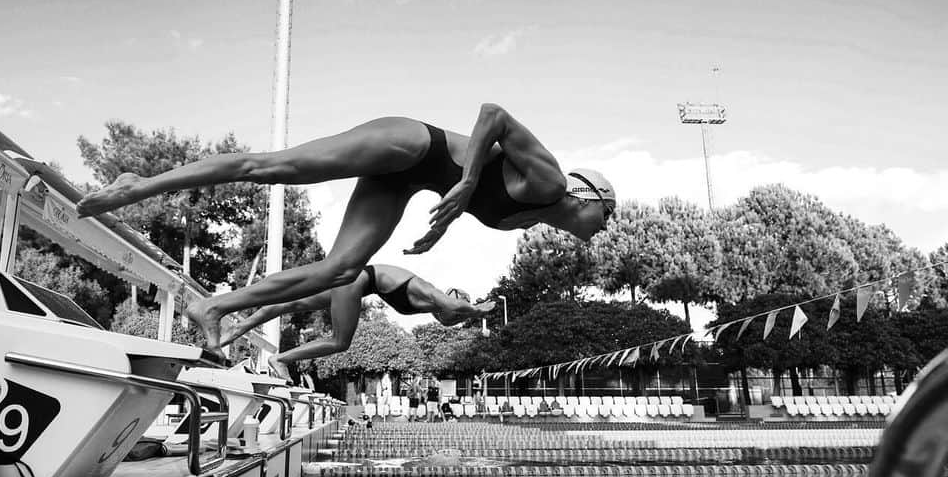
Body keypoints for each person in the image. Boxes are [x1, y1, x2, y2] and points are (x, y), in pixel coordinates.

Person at [76, 106, 616, 349]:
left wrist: (444, 220)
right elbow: (492, 115)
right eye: (607, 215)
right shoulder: (549, 183)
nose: (604, 228)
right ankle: (139, 183)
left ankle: (214, 306)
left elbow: (461, 193)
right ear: (587, 195)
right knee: (272, 168)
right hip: (410, 143)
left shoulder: (529, 217)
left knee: (341, 270)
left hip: (405, 182)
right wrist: (469, 183)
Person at [220, 264, 495, 378]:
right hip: (355, 282)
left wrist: (466, 312)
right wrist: (476, 311)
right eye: (454, 318)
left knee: (294, 302)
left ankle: (240, 326)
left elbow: (449, 313)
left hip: (354, 281)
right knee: (340, 341)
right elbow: (451, 305)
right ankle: (280, 359)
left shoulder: (432, 307)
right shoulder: (431, 293)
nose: (447, 323)